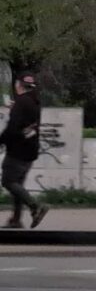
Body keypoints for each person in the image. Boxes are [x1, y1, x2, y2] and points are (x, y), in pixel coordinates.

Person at [2, 74, 46, 229]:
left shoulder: (21, 103)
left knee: (8, 182)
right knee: (18, 186)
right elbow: (28, 125)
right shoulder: (34, 102)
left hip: (17, 151)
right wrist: (16, 108)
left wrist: (1, 141)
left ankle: (35, 206)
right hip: (30, 151)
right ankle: (16, 220)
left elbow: (12, 129)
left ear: (18, 84)